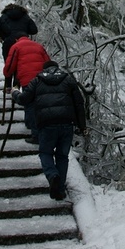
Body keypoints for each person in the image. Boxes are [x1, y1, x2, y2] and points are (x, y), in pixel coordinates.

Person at [11, 61, 86, 201]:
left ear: (44, 69)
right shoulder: (69, 80)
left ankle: (52, 175)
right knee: (62, 157)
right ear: (58, 68)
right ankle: (61, 190)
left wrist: (14, 92)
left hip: (46, 124)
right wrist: (82, 126)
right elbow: (79, 104)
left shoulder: (37, 81)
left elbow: (24, 99)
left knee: (45, 153)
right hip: (66, 123)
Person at [3, 34, 50, 144]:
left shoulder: (16, 47)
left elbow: (9, 66)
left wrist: (7, 74)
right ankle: (40, 130)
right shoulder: (38, 46)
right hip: (41, 79)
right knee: (40, 105)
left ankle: (34, 132)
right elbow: (48, 62)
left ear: (16, 39)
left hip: (27, 79)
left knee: (30, 104)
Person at [0, 3, 39, 88]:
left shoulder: (4, 16)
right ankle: (16, 86)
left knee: (8, 63)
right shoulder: (25, 17)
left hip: (8, 43)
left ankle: (8, 85)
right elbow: (34, 30)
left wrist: (4, 37)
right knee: (19, 64)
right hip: (22, 42)